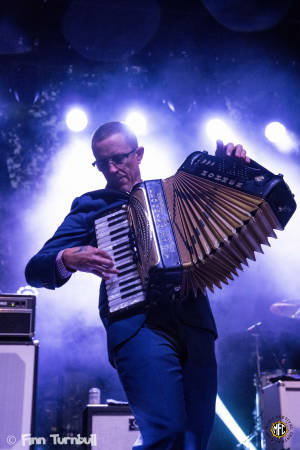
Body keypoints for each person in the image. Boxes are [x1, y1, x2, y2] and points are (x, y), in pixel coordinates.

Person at [25, 121, 250, 449]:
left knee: (195, 438)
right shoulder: (93, 206)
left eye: (120, 158)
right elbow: (35, 268)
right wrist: (67, 258)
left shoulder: (179, 193)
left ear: (139, 153)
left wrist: (232, 170)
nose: (112, 169)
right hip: (137, 326)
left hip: (194, 324)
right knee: (166, 432)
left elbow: (231, 211)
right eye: (103, 163)